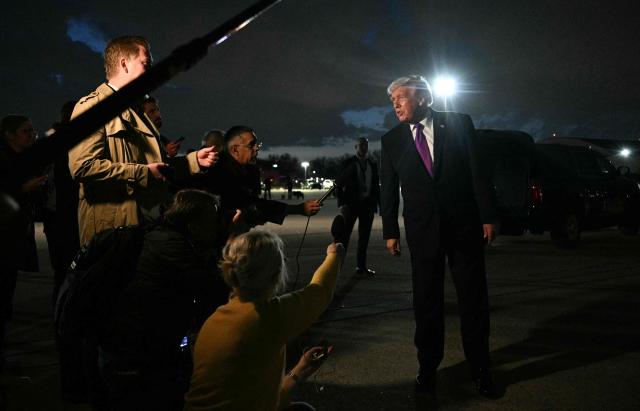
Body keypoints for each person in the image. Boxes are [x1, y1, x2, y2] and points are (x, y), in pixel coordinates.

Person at [380, 75, 497, 397]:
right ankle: (427, 368)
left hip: (464, 227)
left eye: (401, 98)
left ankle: (480, 369)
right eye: (392, 101)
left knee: (473, 300)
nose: (395, 105)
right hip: (422, 232)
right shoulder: (391, 141)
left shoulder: (459, 124)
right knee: (426, 303)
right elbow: (388, 189)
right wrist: (390, 230)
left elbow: (478, 172)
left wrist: (487, 215)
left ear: (422, 98)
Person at [68, 36, 218, 245]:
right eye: (145, 64)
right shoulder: (93, 108)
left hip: (142, 223)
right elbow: (82, 167)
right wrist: (143, 173)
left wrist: (193, 161)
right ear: (124, 64)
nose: (151, 70)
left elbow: (155, 165)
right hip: (111, 230)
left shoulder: (137, 110)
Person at [99, 189, 234, 410]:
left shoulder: (161, 235)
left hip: (133, 345)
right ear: (192, 224)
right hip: (136, 353)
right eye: (211, 221)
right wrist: (228, 243)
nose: (215, 226)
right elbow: (216, 290)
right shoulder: (171, 248)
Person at [184, 230, 343, 410]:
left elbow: (245, 395)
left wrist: (299, 370)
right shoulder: (267, 316)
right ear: (275, 274)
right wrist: (334, 255)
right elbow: (320, 291)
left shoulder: (216, 319)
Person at [201, 125, 320, 231]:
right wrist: (297, 209)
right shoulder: (219, 171)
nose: (256, 149)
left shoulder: (243, 169)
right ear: (235, 149)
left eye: (257, 145)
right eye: (251, 145)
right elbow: (250, 203)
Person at [0, 115, 46, 372]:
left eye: (33, 130)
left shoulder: (22, 160)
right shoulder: (6, 161)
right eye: (26, 131)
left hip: (14, 240)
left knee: (7, 299)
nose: (32, 135)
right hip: (4, 241)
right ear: (9, 135)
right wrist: (24, 189)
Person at [336, 137, 380, 276]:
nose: (363, 147)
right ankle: (337, 267)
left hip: (367, 206)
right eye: (361, 145)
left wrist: (378, 204)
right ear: (355, 147)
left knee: (364, 238)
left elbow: (375, 186)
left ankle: (361, 267)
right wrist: (342, 203)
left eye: (366, 145)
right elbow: (338, 184)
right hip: (351, 205)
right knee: (344, 237)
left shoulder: (372, 164)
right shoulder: (348, 163)